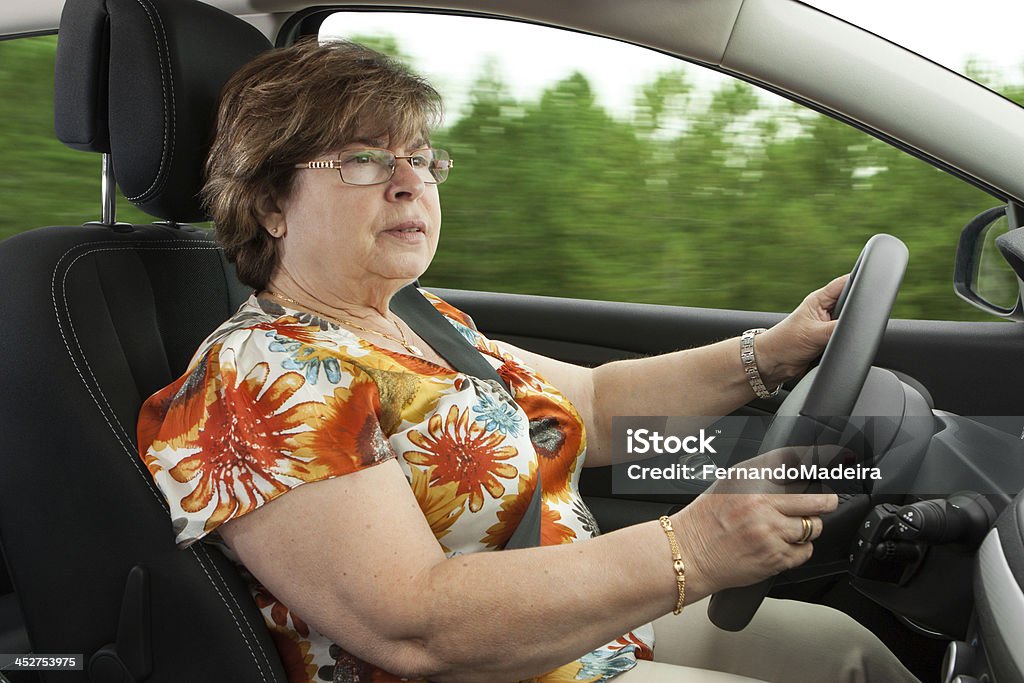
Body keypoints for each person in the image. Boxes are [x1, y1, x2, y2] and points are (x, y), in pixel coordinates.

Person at [137, 39, 918, 683]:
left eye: (421, 158)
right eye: (365, 161)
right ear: (270, 203)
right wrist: (696, 545)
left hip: (576, 640)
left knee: (854, 658)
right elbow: (416, 624)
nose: (412, 183)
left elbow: (597, 402)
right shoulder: (260, 381)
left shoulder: (413, 317)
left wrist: (772, 352)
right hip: (480, 670)